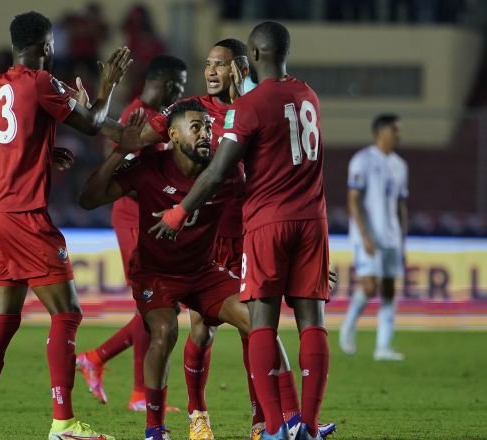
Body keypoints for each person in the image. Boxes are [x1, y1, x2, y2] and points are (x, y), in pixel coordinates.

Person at [99, 38, 335, 440]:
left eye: (219, 65)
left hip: (254, 231)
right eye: (207, 63)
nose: (210, 71)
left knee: (257, 330)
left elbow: (291, 170)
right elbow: (130, 139)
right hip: (211, 238)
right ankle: (198, 412)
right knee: (203, 332)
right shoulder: (190, 112)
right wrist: (97, 106)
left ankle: (271, 422)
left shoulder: (255, 106)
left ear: (240, 67)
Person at [0, 11, 131, 440]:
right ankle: (64, 424)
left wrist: (37, 154)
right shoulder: (41, 82)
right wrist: (106, 90)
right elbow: (91, 124)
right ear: (47, 46)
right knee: (67, 314)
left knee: (3, 320)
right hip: (24, 215)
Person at [81, 101, 295, 440]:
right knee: (165, 331)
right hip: (155, 274)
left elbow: (265, 207)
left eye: (208, 128)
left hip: (202, 272)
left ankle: (288, 420)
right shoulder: (151, 167)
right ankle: (155, 429)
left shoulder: (225, 173)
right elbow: (89, 198)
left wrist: (299, 257)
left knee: (259, 322)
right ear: (174, 134)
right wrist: (121, 152)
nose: (205, 134)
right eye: (196, 127)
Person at [75, 54, 187, 412]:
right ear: (169, 83)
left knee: (162, 304)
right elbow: (128, 174)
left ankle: (98, 359)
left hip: (149, 216)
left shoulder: (154, 117)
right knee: (155, 304)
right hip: (134, 217)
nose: (180, 92)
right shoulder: (135, 115)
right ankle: (137, 391)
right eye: (180, 86)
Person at [340, 114, 408, 361]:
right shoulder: (362, 160)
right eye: (395, 130)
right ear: (381, 132)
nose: (399, 135)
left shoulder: (400, 165)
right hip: (367, 234)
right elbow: (353, 201)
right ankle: (347, 328)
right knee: (369, 286)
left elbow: (401, 205)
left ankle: (383, 347)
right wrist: (365, 234)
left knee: (389, 290)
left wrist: (403, 238)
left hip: (391, 236)